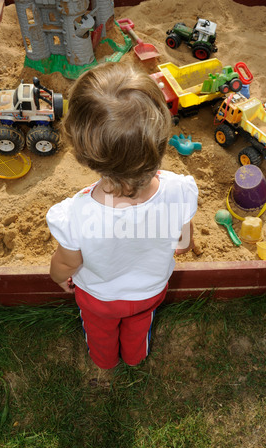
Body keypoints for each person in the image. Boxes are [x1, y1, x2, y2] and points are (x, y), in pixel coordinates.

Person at [46, 62, 198, 370]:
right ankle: (135, 356)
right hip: (149, 291)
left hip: (99, 299)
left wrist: (58, 277)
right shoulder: (181, 191)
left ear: (84, 154)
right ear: (161, 139)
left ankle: (104, 362)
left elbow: (67, 263)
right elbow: (183, 243)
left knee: (100, 333)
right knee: (139, 324)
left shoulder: (74, 215)